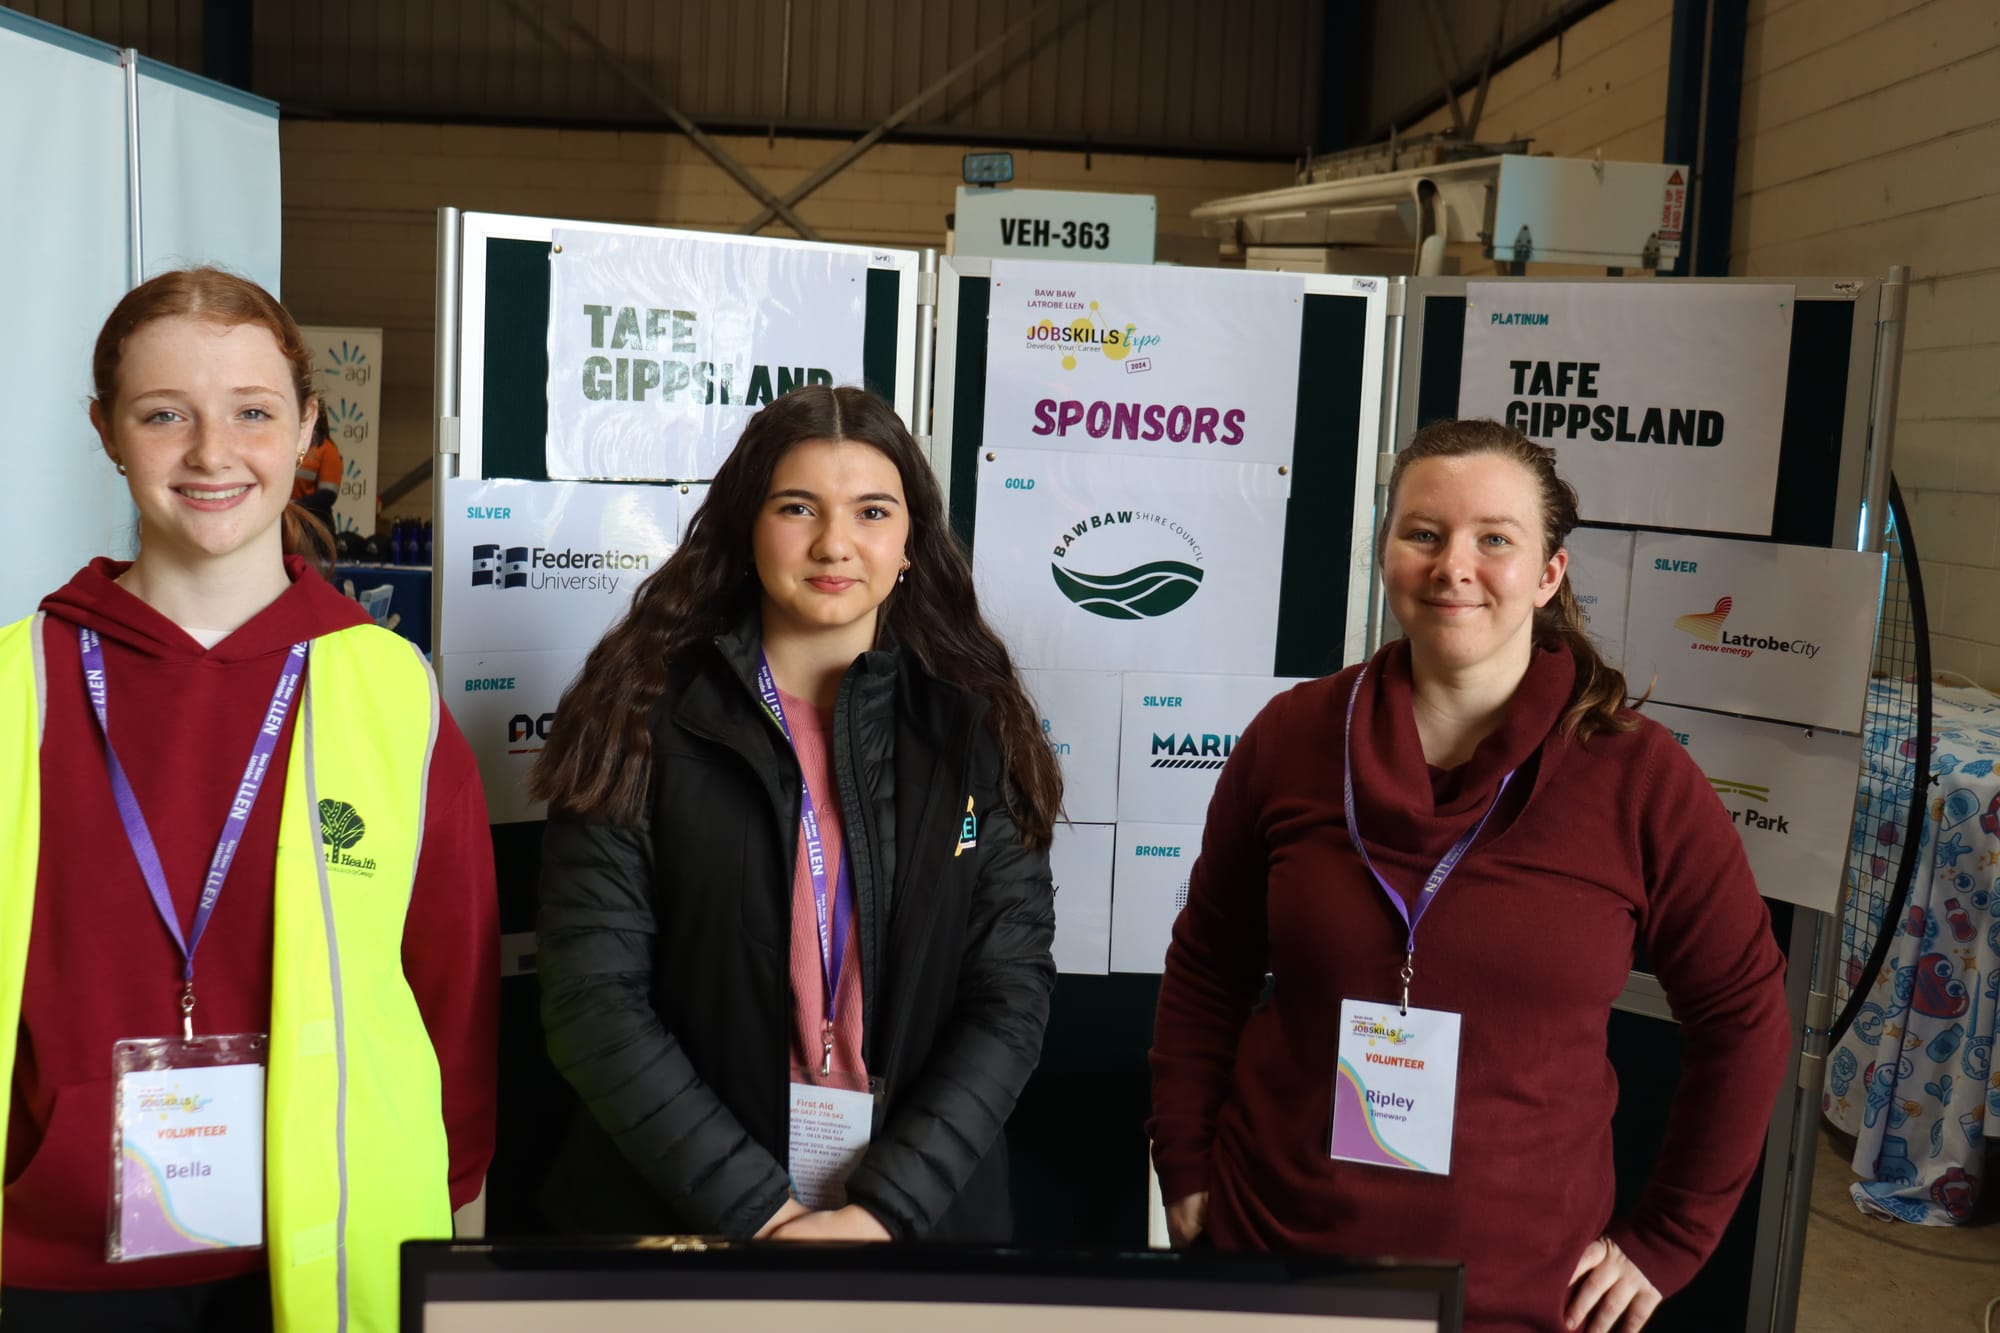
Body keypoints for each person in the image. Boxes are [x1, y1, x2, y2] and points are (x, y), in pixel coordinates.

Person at [1147, 419, 1791, 1332]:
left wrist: (1671, 1237)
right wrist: (1186, 1160)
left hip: (1519, 1294)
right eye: (1423, 533)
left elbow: (1746, 1014)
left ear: (1549, 573)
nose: (1455, 565)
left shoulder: (1637, 779)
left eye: (1495, 538)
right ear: (1386, 553)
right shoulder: (1291, 739)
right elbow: (1208, 962)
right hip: (1274, 1260)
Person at [0, 268, 498, 1332]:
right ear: (106, 430)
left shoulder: (386, 690)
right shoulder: (19, 679)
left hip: (322, 1252)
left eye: (253, 413)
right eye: (164, 414)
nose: (213, 453)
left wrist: (459, 1199)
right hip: (45, 1259)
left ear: (307, 425)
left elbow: (449, 981)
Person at [532, 384, 1060, 1243]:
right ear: (749, 526)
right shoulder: (634, 718)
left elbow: (1009, 997)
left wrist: (884, 1210)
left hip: (911, 1229)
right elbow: (594, 1000)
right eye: (797, 507)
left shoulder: (975, 736)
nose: (834, 542)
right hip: (682, 1226)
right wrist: (760, 1214)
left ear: (910, 547)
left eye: (871, 511)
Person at [291, 408, 341, 529]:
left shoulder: (328, 450)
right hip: (288, 520)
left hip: (313, 523)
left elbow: (327, 495)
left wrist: (295, 506)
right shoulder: (291, 445)